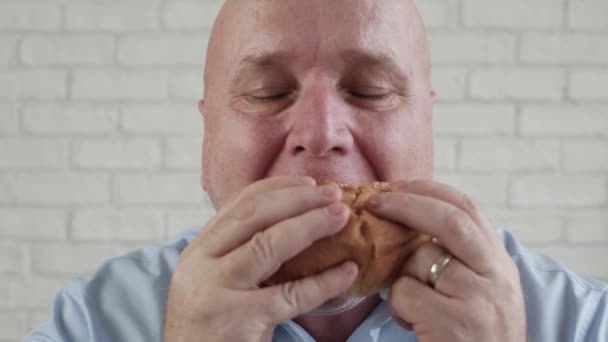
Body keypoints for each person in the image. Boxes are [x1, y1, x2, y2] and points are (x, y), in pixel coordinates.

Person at [26, 0, 608, 341]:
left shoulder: (576, 322)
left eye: (370, 89)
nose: (321, 133)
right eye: (266, 92)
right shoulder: (93, 322)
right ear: (207, 141)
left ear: (428, 126)